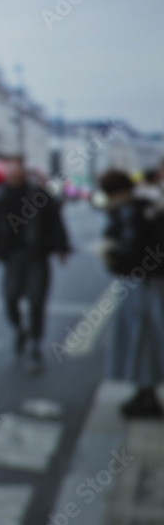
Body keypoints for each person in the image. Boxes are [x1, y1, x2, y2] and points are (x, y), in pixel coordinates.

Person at [0, 156, 71, 363]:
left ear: (22, 170)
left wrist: (62, 247)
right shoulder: (0, 197)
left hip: (37, 255)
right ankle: (20, 330)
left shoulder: (39, 194)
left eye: (17, 168)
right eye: (10, 168)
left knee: (36, 301)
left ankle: (35, 343)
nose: (14, 172)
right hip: (11, 258)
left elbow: (56, 221)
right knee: (10, 299)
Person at [98, 170, 164, 418]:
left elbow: (133, 252)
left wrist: (111, 255)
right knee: (145, 335)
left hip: (143, 283)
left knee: (142, 335)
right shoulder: (145, 208)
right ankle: (145, 391)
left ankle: (146, 394)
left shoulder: (131, 213)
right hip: (148, 281)